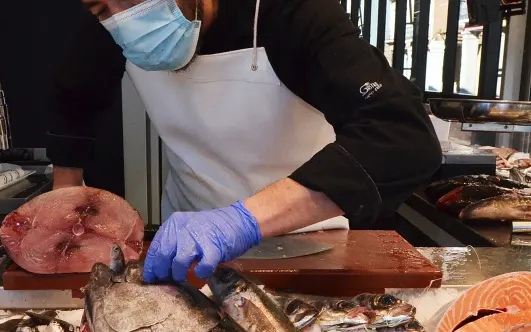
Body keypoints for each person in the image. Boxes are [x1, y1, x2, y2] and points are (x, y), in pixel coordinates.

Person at [47, 0, 442, 282]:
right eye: (101, 10)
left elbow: (401, 136)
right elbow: (75, 95)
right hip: (187, 249)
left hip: (309, 243)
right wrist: (63, 198)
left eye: (136, 1)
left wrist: (240, 221)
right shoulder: (114, 21)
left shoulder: (292, 13)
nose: (122, 18)